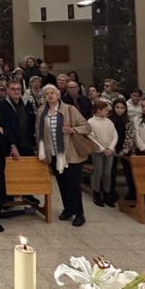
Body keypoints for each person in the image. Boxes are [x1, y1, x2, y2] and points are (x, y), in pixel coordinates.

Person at [36, 85, 92, 227]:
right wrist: (41, 151)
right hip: (54, 154)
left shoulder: (69, 109)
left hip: (70, 154)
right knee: (62, 184)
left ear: (58, 94)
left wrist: (72, 129)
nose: (50, 95)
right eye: (47, 93)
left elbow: (86, 126)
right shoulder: (41, 111)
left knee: (73, 185)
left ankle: (79, 214)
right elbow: (39, 134)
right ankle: (68, 209)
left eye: (52, 93)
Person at [88, 101, 118, 208]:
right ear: (98, 110)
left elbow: (115, 135)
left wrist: (110, 148)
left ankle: (107, 193)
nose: (107, 111)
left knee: (107, 173)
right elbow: (91, 137)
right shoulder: (91, 122)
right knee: (98, 171)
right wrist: (102, 149)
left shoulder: (109, 121)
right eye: (105, 110)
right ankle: (96, 193)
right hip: (98, 151)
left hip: (109, 150)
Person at [109, 99, 136, 201]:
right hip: (112, 148)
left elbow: (130, 137)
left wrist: (124, 150)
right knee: (111, 171)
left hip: (125, 149)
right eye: (117, 107)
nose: (119, 110)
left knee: (129, 171)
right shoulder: (109, 120)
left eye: (122, 108)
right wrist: (113, 148)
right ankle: (111, 192)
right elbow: (108, 136)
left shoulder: (128, 121)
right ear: (113, 108)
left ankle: (132, 192)